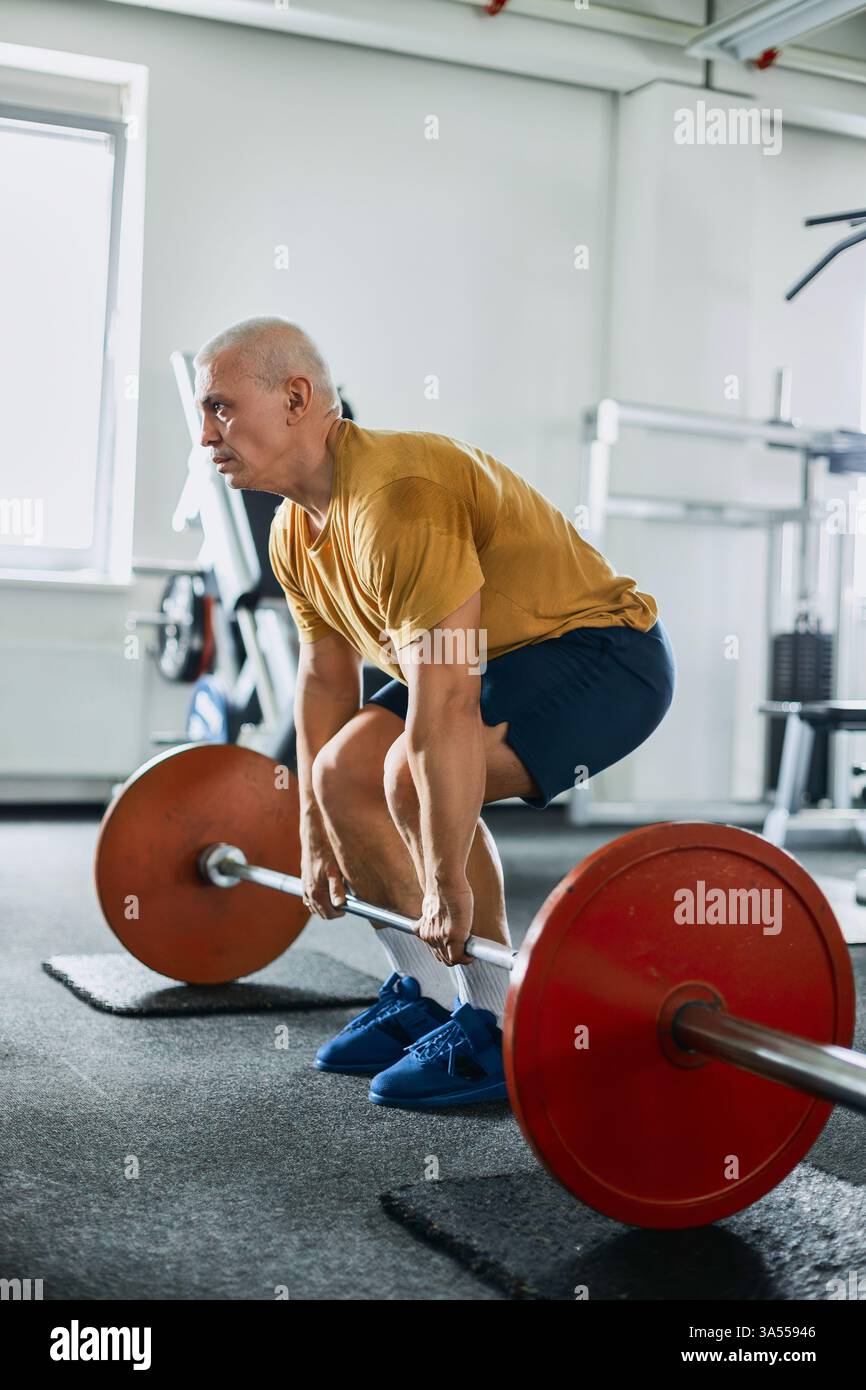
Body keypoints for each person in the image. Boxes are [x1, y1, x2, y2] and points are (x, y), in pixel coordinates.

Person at [193, 316, 676, 1109]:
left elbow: (446, 697)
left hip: (603, 657)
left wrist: (444, 878)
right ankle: (424, 994)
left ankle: (497, 1022)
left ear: (296, 398)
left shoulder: (396, 498)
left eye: (220, 408)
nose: (206, 434)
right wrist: (314, 830)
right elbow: (324, 676)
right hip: (495, 656)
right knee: (342, 773)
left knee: (406, 778)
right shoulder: (293, 531)